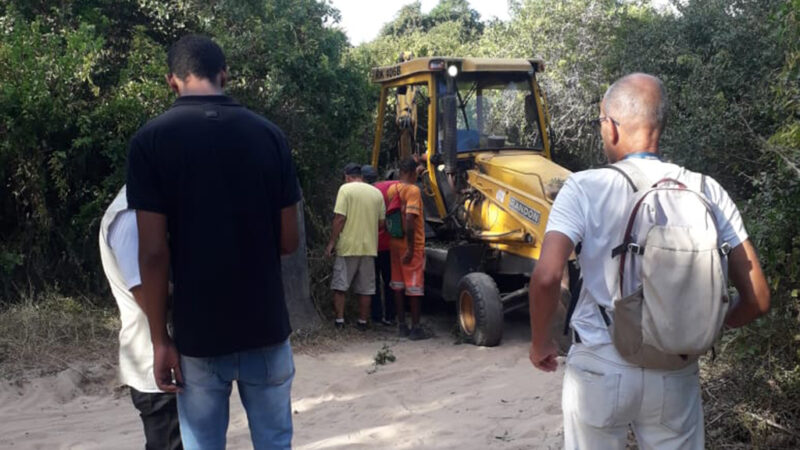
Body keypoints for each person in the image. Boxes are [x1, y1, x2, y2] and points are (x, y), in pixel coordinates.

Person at [528, 73, 770, 449]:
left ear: (610, 127)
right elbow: (758, 298)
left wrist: (540, 342)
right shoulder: (708, 190)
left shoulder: (584, 187)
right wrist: (700, 328)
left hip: (599, 365)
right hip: (676, 368)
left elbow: (546, 278)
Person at [126, 35, 301, 449]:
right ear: (224, 74)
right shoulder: (270, 136)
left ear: (172, 81)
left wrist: (159, 339)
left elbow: (152, 254)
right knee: (275, 441)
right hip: (266, 327)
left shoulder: (150, 142)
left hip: (198, 335)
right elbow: (289, 240)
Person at [99, 186, 183, 450]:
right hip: (156, 369)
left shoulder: (144, 208)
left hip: (164, 364)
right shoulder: (129, 218)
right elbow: (151, 299)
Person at [326, 163, 386, 330]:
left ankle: (339, 321)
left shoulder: (345, 190)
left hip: (348, 246)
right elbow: (381, 222)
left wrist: (332, 242)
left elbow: (339, 218)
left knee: (340, 286)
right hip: (369, 247)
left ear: (347, 176)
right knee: (365, 288)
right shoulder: (376, 193)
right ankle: (362, 322)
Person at [388, 157, 431, 340]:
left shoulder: (392, 189)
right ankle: (416, 328)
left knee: (398, 286)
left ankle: (401, 325)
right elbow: (409, 220)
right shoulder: (413, 190)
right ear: (413, 173)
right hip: (410, 245)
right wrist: (412, 249)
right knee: (414, 288)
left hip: (395, 243)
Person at [362, 164, 397, 326]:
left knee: (373, 282)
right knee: (390, 280)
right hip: (389, 244)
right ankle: (391, 316)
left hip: (370, 244)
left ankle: (376, 316)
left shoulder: (362, 193)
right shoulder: (388, 187)